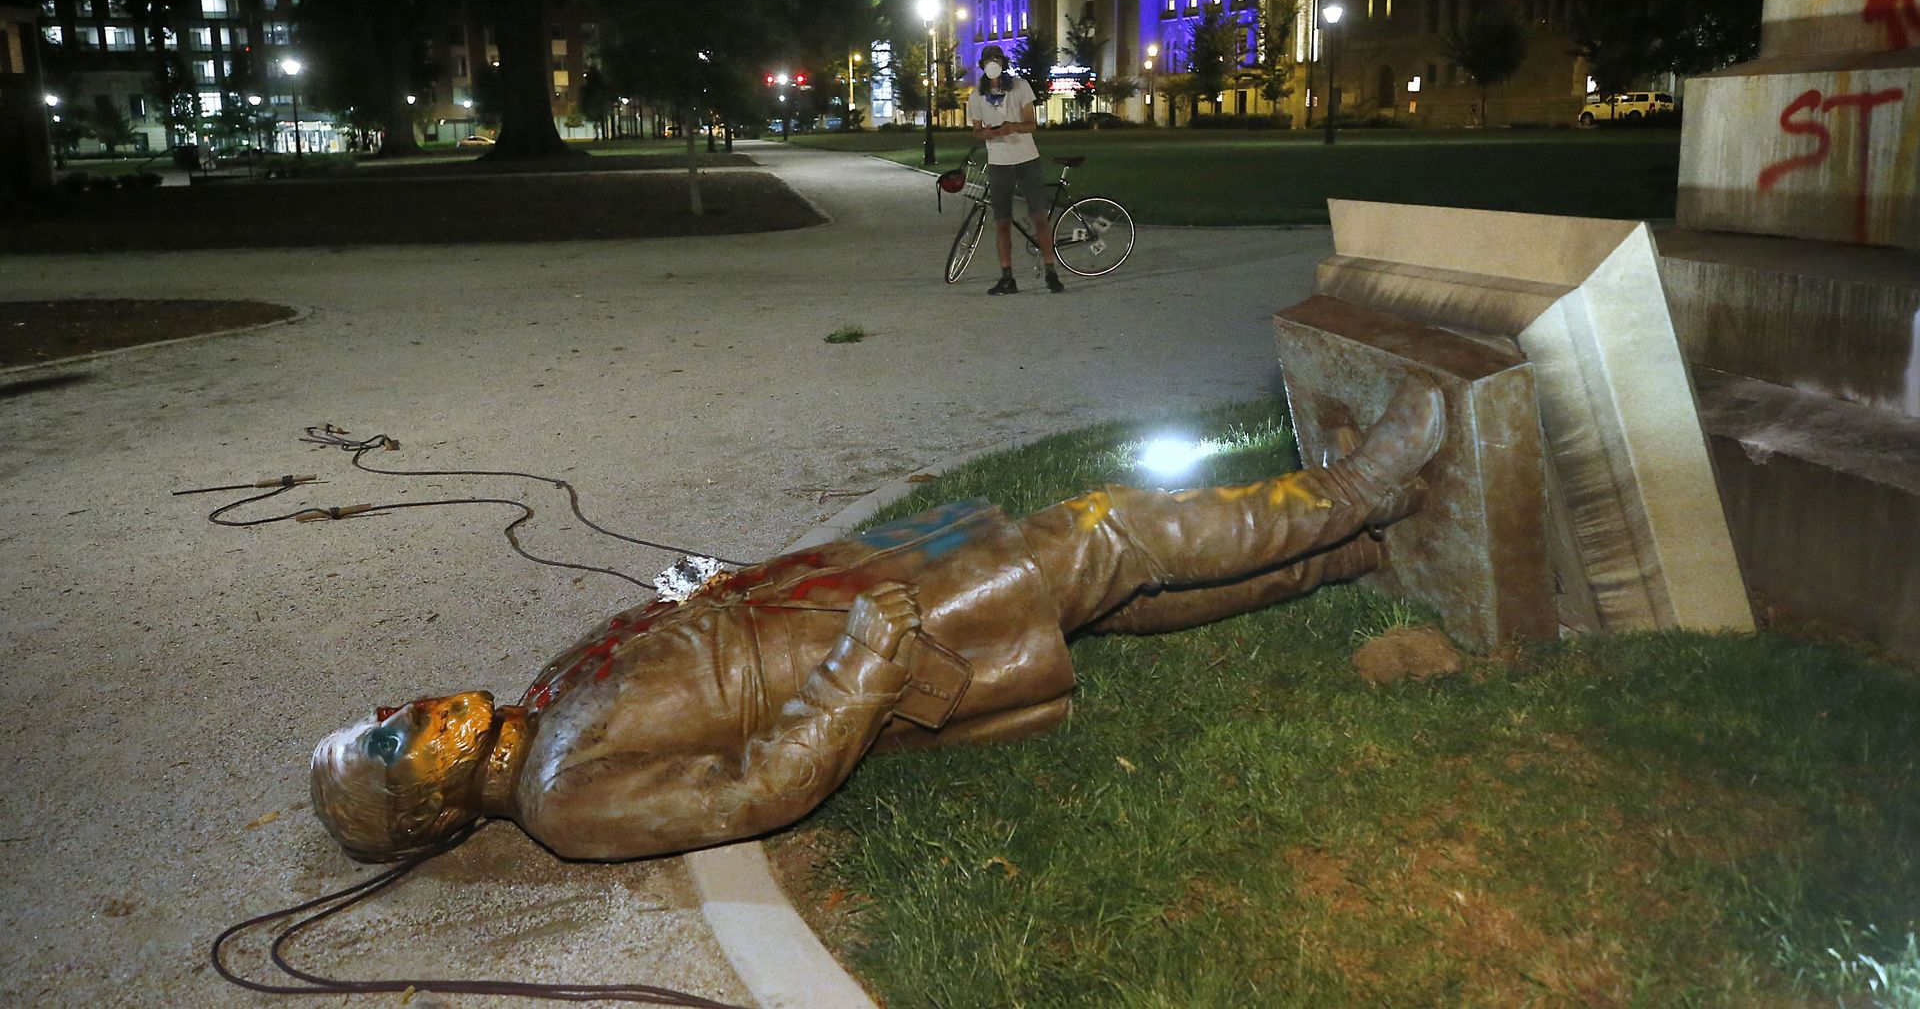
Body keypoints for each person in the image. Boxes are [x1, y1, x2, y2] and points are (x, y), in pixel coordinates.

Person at [311, 379, 1446, 863]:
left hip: (850, 595)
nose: (395, 712)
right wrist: (868, 656)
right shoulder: (565, 798)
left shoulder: (544, 695)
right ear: (423, 815)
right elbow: (759, 787)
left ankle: (1342, 558)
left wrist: (717, 592)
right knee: (1106, 539)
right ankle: (1363, 495)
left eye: (374, 714)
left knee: (1108, 599)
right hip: (884, 642)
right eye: (384, 743)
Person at [965, 45, 1063, 296]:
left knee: (1039, 217)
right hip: (999, 162)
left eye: (997, 59)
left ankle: (1051, 271)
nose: (993, 63)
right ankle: (1007, 277)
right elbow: (975, 130)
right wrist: (984, 133)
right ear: (982, 65)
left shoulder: (1020, 86)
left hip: (1027, 158)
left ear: (1003, 62)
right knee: (1002, 222)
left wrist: (1013, 127)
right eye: (988, 60)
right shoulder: (976, 96)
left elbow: (1032, 124)